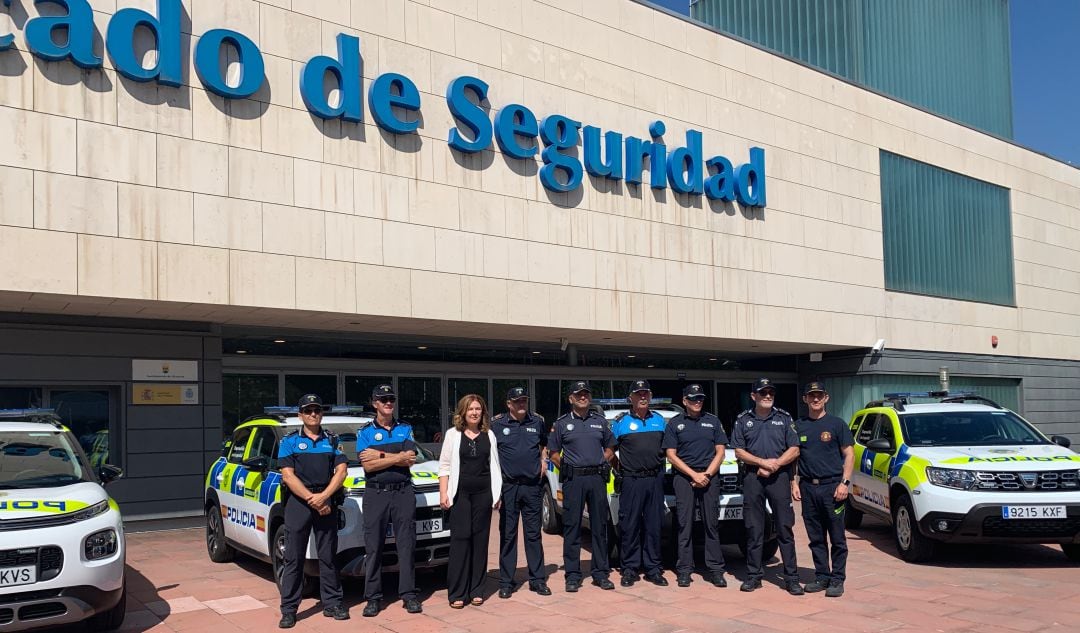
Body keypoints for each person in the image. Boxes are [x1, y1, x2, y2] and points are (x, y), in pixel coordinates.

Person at [276, 394, 349, 629]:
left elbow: (341, 471)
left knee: (328, 556)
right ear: (300, 415)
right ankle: (289, 609)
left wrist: (324, 497)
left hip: (325, 500)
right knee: (293, 558)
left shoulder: (332, 439)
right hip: (299, 502)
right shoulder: (289, 441)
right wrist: (312, 499)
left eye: (317, 409)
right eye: (308, 410)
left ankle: (333, 603)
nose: (313, 414)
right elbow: (288, 475)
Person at [731, 378, 802, 594]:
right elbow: (738, 451)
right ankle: (754, 576)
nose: (768, 396)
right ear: (754, 396)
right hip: (753, 478)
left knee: (784, 528)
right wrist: (761, 463)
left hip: (778, 478)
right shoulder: (743, 419)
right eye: (763, 393)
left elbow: (795, 449)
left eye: (771, 392)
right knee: (754, 528)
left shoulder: (784, 417)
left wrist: (775, 465)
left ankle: (791, 578)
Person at [356, 384, 422, 616]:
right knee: (374, 547)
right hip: (376, 493)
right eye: (383, 399)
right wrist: (396, 457)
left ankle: (409, 594)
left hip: (403, 492)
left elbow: (410, 459)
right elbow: (367, 464)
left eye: (391, 399)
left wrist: (380, 455)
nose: (388, 403)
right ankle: (373, 598)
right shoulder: (364, 432)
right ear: (374, 403)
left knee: (407, 545)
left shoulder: (405, 428)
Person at [548, 381, 616, 592]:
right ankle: (573, 575)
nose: (583, 397)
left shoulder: (600, 422)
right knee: (572, 528)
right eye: (579, 394)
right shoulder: (561, 424)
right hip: (573, 481)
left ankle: (601, 573)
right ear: (571, 398)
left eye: (586, 394)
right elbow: (553, 453)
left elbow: (611, 447)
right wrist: (567, 466)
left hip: (596, 480)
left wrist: (600, 460)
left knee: (599, 528)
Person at [438, 394, 503, 608]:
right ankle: (457, 592)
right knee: (460, 541)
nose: (474, 412)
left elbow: (494, 466)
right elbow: (444, 466)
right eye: (470, 409)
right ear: (463, 412)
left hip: (483, 495)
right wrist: (443, 493)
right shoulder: (452, 435)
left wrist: (497, 494)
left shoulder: (489, 435)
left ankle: (477, 589)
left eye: (478, 409)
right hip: (460, 495)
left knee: (480, 541)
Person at [663, 384, 729, 588]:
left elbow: (720, 452)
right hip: (684, 477)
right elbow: (671, 455)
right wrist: (693, 474)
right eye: (693, 398)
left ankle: (716, 570)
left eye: (700, 398)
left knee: (712, 524)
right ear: (684, 401)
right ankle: (684, 570)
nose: (697, 401)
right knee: (684, 525)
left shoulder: (713, 421)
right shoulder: (675, 424)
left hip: (709, 476)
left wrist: (706, 474)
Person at [792, 381, 854, 598]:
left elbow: (849, 454)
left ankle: (837, 579)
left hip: (833, 487)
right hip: (809, 488)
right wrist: (794, 482)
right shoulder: (798, 426)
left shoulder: (837, 424)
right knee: (816, 537)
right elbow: (795, 457)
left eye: (819, 395)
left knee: (837, 538)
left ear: (826, 398)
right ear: (805, 399)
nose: (815, 399)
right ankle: (822, 576)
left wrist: (844, 483)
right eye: (811, 396)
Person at [491, 387, 551, 598]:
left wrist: (543, 459)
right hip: (508, 487)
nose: (522, 404)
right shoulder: (496, 424)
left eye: (524, 400)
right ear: (509, 404)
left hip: (532, 486)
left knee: (533, 535)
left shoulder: (537, 421)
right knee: (508, 535)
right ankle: (507, 582)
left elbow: (544, 444)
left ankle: (538, 580)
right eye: (517, 401)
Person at [610, 380, 668, 587]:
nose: (643, 397)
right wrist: (621, 469)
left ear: (650, 397)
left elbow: (668, 451)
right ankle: (629, 569)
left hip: (654, 480)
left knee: (654, 525)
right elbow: (609, 452)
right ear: (631, 398)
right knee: (630, 526)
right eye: (638, 394)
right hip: (631, 480)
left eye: (646, 393)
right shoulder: (620, 422)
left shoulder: (660, 421)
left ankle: (653, 568)